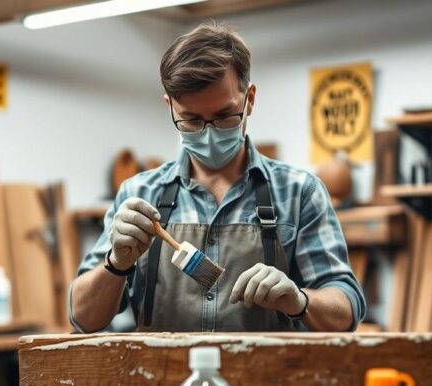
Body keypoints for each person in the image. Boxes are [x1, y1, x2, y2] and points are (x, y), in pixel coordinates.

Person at [69, 23, 365, 333]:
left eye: (225, 116)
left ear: (249, 99)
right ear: (170, 107)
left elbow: (346, 310)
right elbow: (82, 318)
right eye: (192, 120)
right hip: (160, 380)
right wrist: (116, 263)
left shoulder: (298, 191)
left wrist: (300, 300)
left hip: (266, 379)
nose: (209, 133)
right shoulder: (140, 193)